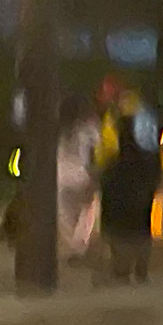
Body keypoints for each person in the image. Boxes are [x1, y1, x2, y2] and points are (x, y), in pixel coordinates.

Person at [97, 91, 162, 284]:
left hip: (120, 198)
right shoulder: (148, 154)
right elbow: (154, 171)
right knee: (141, 229)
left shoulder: (115, 159)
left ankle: (121, 270)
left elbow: (105, 169)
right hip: (141, 196)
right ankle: (141, 270)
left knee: (119, 232)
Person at [56, 95, 103, 269]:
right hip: (82, 175)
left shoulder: (57, 128)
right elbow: (96, 153)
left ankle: (72, 248)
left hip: (61, 177)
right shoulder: (89, 128)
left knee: (66, 216)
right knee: (87, 213)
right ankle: (79, 248)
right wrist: (95, 175)